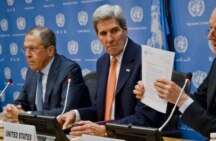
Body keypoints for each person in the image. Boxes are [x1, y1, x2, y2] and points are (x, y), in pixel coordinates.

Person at [133, 0, 216, 140]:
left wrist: (181, 99)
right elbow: (199, 101)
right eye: (210, 28)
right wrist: (156, 94)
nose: (210, 37)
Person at [57, 4, 169, 137]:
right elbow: (101, 110)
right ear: (97, 36)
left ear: (125, 30)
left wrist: (105, 130)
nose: (109, 39)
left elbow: (146, 119)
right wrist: (75, 114)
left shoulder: (151, 60)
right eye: (103, 33)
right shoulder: (102, 62)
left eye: (114, 31)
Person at [3, 26, 92, 122]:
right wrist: (12, 109)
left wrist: (25, 114)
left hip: (68, 132)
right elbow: (22, 102)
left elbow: (65, 111)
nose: (27, 54)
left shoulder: (69, 71)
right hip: (39, 130)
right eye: (25, 49)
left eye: (33, 49)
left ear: (50, 51)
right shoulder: (32, 71)